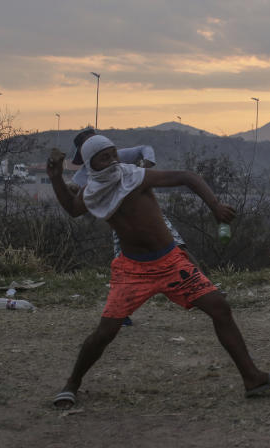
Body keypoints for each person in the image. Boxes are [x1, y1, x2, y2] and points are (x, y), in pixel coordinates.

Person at [46, 135, 270, 408]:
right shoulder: (92, 191)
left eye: (114, 154)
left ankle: (252, 378)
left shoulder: (136, 177)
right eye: (105, 157)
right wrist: (56, 178)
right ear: (92, 164)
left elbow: (187, 176)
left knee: (219, 307)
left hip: (171, 263)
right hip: (132, 271)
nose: (113, 160)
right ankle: (72, 384)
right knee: (105, 332)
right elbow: (72, 209)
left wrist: (215, 207)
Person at [69, 128, 195, 326]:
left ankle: (202, 286)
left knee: (178, 246)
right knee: (123, 264)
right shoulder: (81, 177)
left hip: (148, 216)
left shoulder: (117, 156)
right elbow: (77, 204)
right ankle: (121, 309)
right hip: (122, 224)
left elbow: (145, 149)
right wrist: (72, 191)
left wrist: (146, 164)